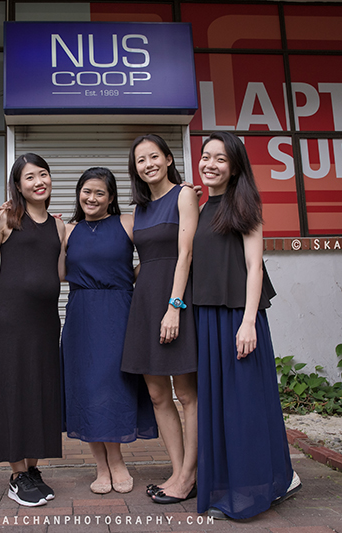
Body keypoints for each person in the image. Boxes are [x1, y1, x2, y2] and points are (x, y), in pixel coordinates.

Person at [194, 131, 301, 520]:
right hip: (207, 318)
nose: (210, 164)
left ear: (235, 167)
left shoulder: (245, 204)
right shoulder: (199, 208)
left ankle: (265, 484)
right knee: (219, 406)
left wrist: (249, 322)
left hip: (239, 318)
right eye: (206, 156)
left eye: (220, 159)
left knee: (246, 405)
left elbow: (255, 267)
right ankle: (232, 482)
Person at [61, 167, 158, 495]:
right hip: (81, 315)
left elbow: (157, 252)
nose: (91, 198)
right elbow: (57, 271)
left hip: (119, 312)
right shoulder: (67, 230)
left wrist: (129, 276)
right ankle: (101, 466)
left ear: (111, 197)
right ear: (78, 193)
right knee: (87, 388)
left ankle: (116, 461)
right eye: (86, 191)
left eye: (99, 193)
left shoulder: (128, 222)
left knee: (113, 385)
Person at [121, 134, 199, 504]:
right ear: (135, 169)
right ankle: (179, 470)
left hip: (174, 301)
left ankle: (190, 475)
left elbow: (185, 254)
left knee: (186, 393)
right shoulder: (139, 210)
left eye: (154, 156)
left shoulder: (184, 195)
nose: (148, 164)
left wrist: (174, 306)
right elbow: (147, 260)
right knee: (156, 394)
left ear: (168, 159)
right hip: (145, 302)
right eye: (141, 160)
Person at [0, 153, 66, 507]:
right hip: (11, 320)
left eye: (43, 174)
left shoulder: (58, 226)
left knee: (41, 390)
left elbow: (60, 271)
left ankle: (33, 469)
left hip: (46, 321)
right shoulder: (7, 218)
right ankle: (17, 474)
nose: (39, 182)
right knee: (14, 390)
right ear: (18, 186)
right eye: (30, 177)